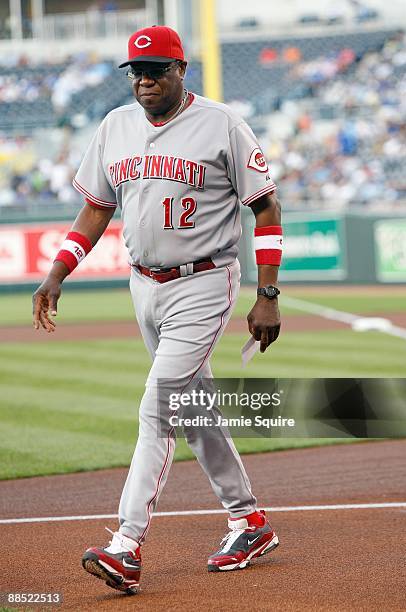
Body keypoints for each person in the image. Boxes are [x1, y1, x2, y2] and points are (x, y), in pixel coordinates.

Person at [32, 25, 283, 595]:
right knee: (193, 409)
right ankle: (249, 520)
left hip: (205, 280)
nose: (144, 81)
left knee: (159, 405)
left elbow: (266, 211)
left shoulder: (221, 124)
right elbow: (95, 209)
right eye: (136, 72)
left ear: (181, 70)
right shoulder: (114, 126)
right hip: (143, 285)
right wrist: (57, 272)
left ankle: (126, 543)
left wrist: (267, 296)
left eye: (156, 70)